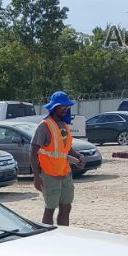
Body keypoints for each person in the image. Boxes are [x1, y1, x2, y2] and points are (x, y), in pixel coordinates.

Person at [31, 90, 85, 226]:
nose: (65, 109)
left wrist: (77, 156)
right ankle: (49, 239)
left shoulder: (65, 125)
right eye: (62, 107)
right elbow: (33, 152)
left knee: (66, 207)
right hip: (49, 175)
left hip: (65, 173)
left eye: (66, 107)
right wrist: (36, 177)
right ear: (54, 107)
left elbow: (65, 149)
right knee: (50, 209)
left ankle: (63, 237)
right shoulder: (44, 126)